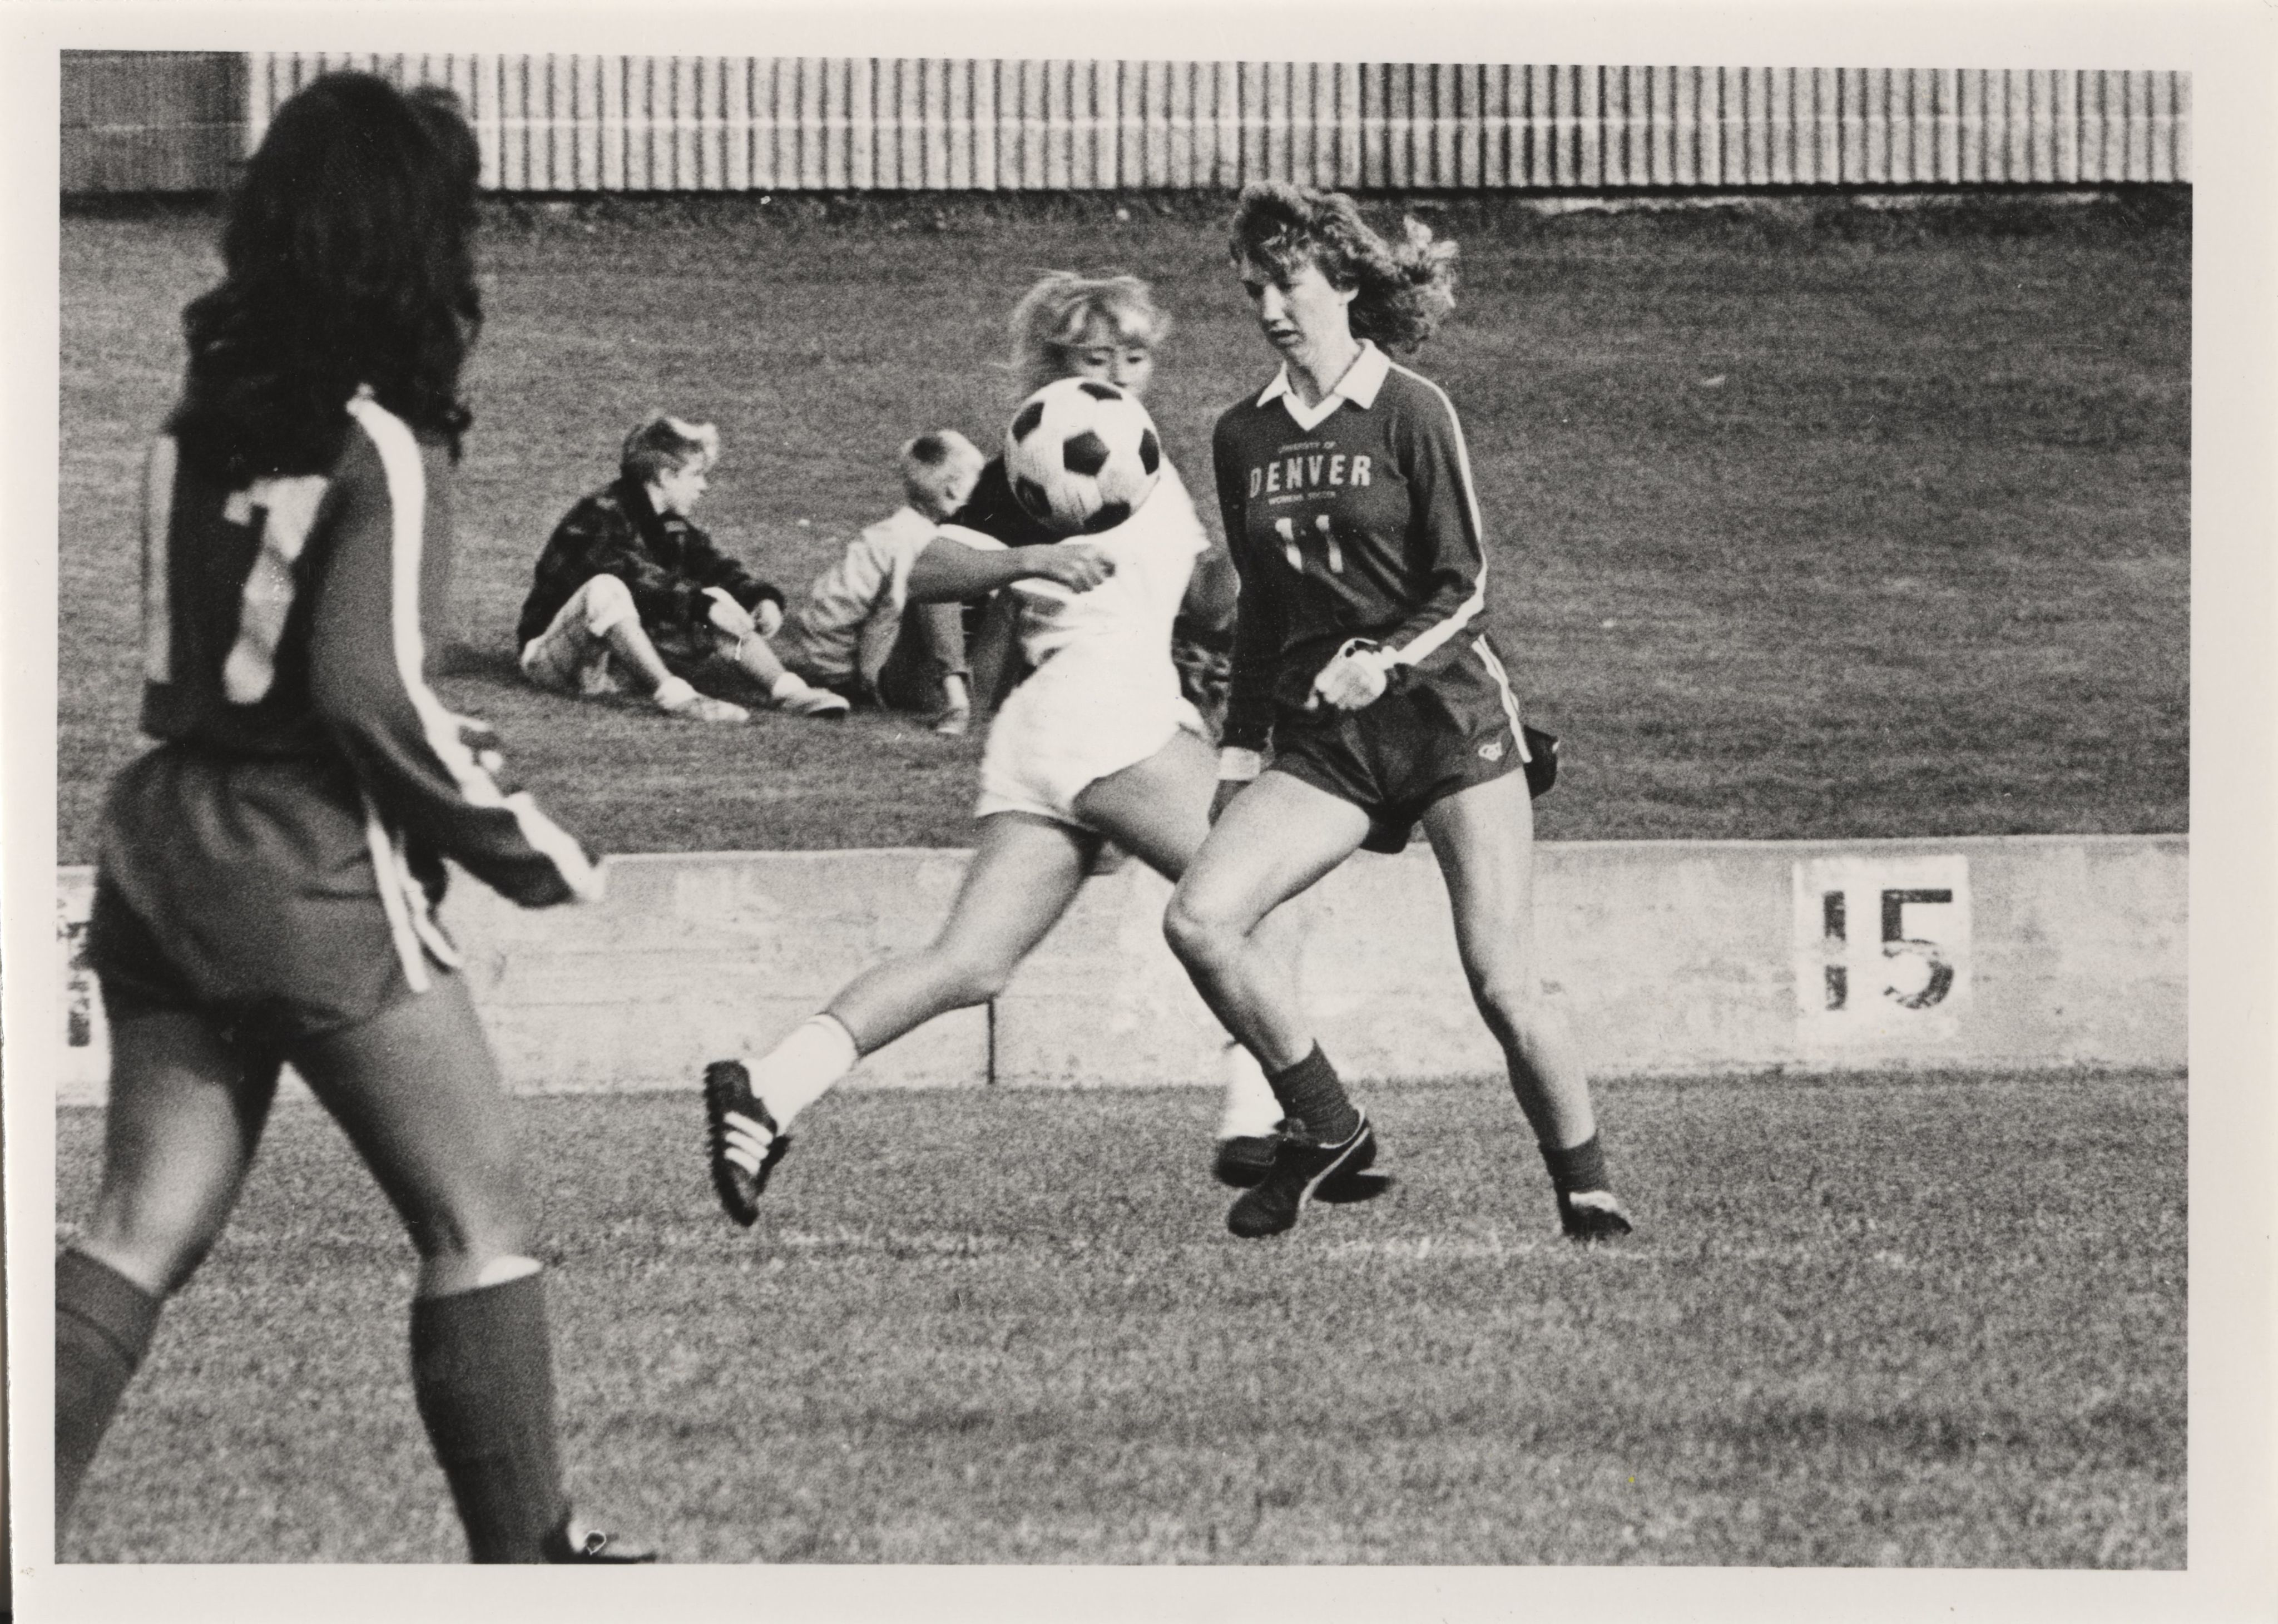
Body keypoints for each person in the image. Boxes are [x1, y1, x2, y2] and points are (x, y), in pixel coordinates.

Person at [57, 74, 652, 1562]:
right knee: (477, 1216)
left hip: (160, 828)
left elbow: (189, 662)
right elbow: (372, 696)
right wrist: (529, 847)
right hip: (301, 855)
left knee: (143, 1223)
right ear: (412, 240)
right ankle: (530, 1561)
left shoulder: (191, 421)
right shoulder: (382, 439)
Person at [699, 273, 1369, 1225]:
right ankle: (1265, 1120)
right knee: (1269, 892)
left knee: (971, 964)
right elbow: (927, 569)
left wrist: (1260, 566)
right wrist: (1026, 559)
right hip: (1109, 715)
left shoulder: (1139, 459)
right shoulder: (1044, 442)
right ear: (1056, 365)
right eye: (1093, 357)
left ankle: (766, 1090)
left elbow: (1204, 603)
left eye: (1133, 355)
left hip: (1051, 732)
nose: (1116, 374)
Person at [1162, 181, 1637, 1242]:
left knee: (1502, 984)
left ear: (1340, 281)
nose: (1272, 308)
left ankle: (1588, 1188)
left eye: (1287, 284)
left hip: (1450, 723)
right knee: (1199, 920)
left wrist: (1382, 659)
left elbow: (1464, 586)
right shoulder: (1240, 434)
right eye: (1254, 290)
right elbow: (1257, 613)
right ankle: (1327, 1123)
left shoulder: (1411, 407)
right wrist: (1238, 759)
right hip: (1331, 744)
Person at [516, 412, 851, 722]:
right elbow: (631, 578)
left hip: (613, 661)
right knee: (608, 588)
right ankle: (676, 697)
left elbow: (712, 565)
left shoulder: (670, 524)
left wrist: (759, 598)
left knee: (714, 595)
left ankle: (789, 690)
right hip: (554, 658)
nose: (704, 487)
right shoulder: (597, 514)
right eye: (697, 475)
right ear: (665, 476)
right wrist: (703, 607)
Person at [770, 429, 989, 735]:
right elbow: (830, 608)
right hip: (902, 674)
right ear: (954, 488)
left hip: (971, 669)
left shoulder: (968, 536)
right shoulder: (890, 538)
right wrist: (840, 678)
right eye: (979, 478)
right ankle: (956, 703)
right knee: (936, 581)